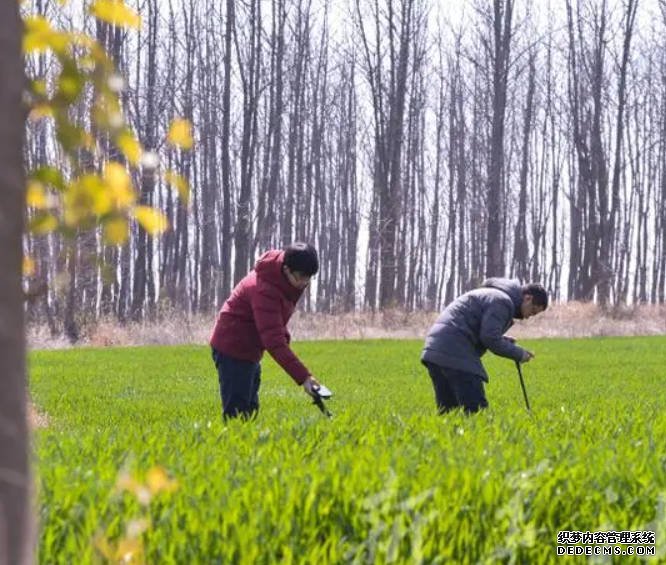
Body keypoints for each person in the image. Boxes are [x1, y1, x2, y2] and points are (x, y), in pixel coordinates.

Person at [210, 242, 327, 420]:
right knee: (237, 412)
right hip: (232, 347)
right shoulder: (265, 290)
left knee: (251, 408)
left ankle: (248, 445)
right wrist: (304, 378)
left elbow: (275, 322)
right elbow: (273, 341)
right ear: (287, 269)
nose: (304, 283)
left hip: (250, 349)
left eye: (308, 278)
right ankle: (230, 446)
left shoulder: (285, 279)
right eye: (301, 277)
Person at [421, 278, 548, 414]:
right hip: (456, 352)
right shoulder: (502, 301)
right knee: (477, 413)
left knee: (449, 414)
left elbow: (476, 328)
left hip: (435, 350)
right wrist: (519, 354)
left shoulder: (491, 294)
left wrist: (503, 340)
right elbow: (490, 338)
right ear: (528, 298)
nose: (529, 316)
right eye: (533, 311)